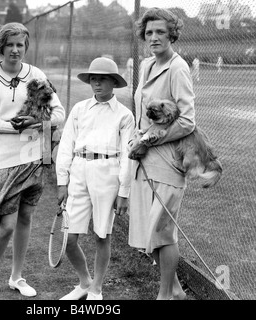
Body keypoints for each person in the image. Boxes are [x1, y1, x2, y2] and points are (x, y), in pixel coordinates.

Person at [0, 22, 65, 300]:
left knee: (25, 217)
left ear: (26, 47)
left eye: (20, 45)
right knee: (7, 224)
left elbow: (59, 113)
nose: (15, 50)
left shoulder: (35, 74)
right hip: (4, 158)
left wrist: (36, 122)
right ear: (1, 47)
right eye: (10, 44)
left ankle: (17, 277)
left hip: (33, 156)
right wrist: (17, 126)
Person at [128, 8, 195, 300]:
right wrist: (137, 138)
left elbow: (187, 120)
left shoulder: (178, 67)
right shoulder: (145, 65)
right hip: (144, 160)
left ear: (172, 35)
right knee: (149, 232)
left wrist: (149, 141)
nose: (154, 37)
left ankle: (165, 295)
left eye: (161, 32)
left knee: (163, 232)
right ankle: (177, 290)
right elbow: (142, 112)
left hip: (168, 162)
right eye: (149, 32)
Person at [56, 57, 134, 300]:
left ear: (114, 82)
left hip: (107, 173)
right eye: (93, 79)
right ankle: (84, 282)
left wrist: (124, 192)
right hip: (79, 171)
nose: (96, 83)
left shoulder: (124, 115)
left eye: (102, 79)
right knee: (69, 239)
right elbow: (66, 144)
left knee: (103, 234)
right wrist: (62, 181)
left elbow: (128, 156)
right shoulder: (79, 109)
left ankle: (96, 289)